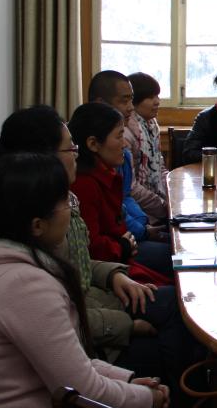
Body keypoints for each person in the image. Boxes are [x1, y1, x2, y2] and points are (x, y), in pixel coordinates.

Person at [0, 105, 201, 398]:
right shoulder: (19, 253)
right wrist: (128, 329)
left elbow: (74, 267)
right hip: (79, 355)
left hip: (88, 314)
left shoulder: (33, 215)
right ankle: (184, 403)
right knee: (175, 317)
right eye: (70, 148)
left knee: (176, 302)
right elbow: (76, 375)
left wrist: (112, 275)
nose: (76, 155)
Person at [0, 153, 178, 408]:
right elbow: (84, 391)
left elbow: (69, 364)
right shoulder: (22, 287)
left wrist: (127, 381)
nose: (72, 208)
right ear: (37, 225)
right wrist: (148, 398)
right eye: (65, 201)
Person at [69, 102, 173, 283]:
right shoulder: (85, 185)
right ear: (93, 144)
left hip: (124, 252)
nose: (124, 144)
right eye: (118, 136)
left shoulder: (107, 172)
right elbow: (91, 247)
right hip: (111, 268)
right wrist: (122, 245)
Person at [89, 70, 166, 240]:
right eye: (125, 101)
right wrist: (144, 229)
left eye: (132, 99)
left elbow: (125, 197)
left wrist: (143, 226)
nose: (131, 107)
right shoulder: (103, 150)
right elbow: (123, 198)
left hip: (137, 224)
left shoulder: (149, 128)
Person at [125, 71, 168, 208]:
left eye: (157, 96)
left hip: (155, 199)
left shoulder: (151, 126)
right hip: (139, 207)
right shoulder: (126, 134)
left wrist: (172, 189)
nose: (157, 102)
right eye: (150, 97)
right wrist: (163, 206)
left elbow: (160, 167)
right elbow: (131, 188)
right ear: (134, 101)